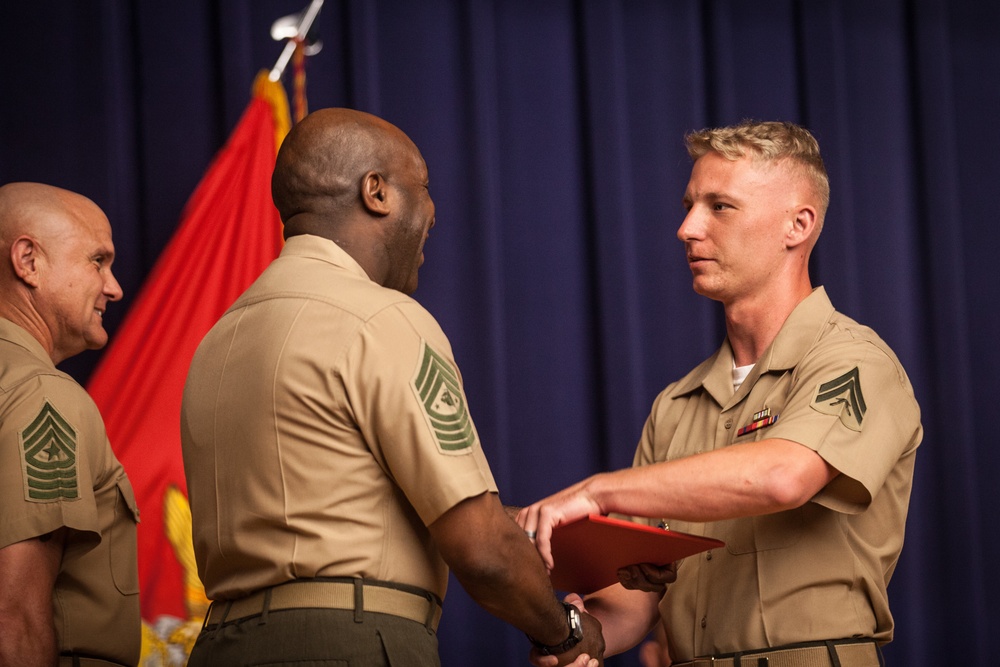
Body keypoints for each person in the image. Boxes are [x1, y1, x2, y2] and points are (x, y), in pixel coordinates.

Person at [179, 107, 604, 667]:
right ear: (375, 192)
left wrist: (582, 548)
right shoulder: (381, 319)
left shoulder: (217, 341)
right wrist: (567, 632)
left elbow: (341, 506)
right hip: (349, 647)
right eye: (423, 188)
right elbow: (482, 552)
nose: (433, 213)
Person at [519, 121, 921, 667]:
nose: (686, 228)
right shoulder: (676, 404)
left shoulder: (854, 360)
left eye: (719, 207)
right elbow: (636, 605)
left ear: (797, 225)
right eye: (689, 205)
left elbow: (784, 476)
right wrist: (571, 636)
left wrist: (597, 493)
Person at [0, 182, 140, 667]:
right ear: (28, 261)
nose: (114, 286)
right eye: (97, 261)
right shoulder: (42, 395)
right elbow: (15, 619)